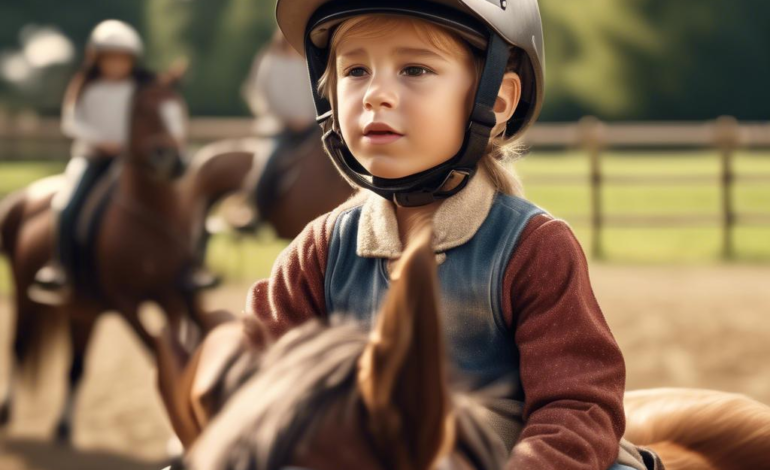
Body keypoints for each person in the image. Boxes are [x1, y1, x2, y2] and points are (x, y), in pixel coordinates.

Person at [158, 1, 659, 469]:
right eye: (355, 71)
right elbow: (261, 384)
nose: (375, 92)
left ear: (498, 99)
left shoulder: (534, 247)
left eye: (414, 69)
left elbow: (578, 403)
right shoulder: (317, 251)